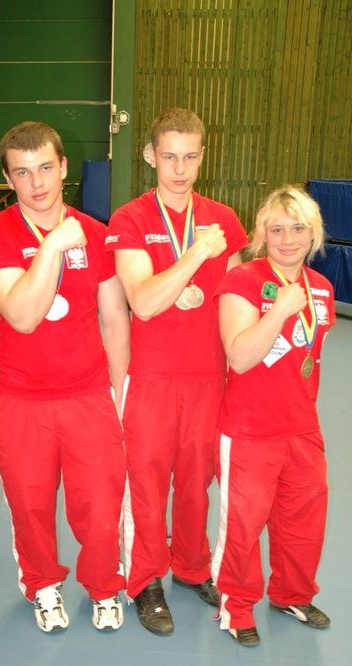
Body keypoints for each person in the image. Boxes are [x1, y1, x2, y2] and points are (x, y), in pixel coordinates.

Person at [0, 121, 129, 633]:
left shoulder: (98, 234)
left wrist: (119, 393)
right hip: (22, 400)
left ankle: (106, 586)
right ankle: (42, 585)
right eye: (23, 172)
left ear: (63, 167)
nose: (37, 182)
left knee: (101, 503)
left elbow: (113, 320)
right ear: (8, 178)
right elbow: (20, 314)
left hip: (88, 395)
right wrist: (53, 246)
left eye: (45, 168)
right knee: (31, 504)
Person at [105, 108, 248, 635]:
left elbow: (236, 299)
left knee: (195, 484)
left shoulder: (225, 219)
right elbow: (142, 301)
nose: (180, 169)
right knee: (145, 483)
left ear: (203, 156)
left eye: (190, 157)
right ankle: (145, 579)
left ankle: (190, 567)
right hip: (150, 380)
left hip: (209, 379)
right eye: (169, 157)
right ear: (150, 156)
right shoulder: (132, 219)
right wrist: (193, 257)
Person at [211, 185, 335, 647]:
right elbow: (240, 356)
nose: (288, 239)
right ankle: (237, 605)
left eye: (298, 228)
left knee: (304, 520)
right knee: (243, 525)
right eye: (277, 229)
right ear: (261, 234)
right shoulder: (242, 280)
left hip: (302, 427)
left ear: (313, 234)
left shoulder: (321, 289)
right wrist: (279, 311)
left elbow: (308, 355)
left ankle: (292, 594)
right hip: (249, 430)